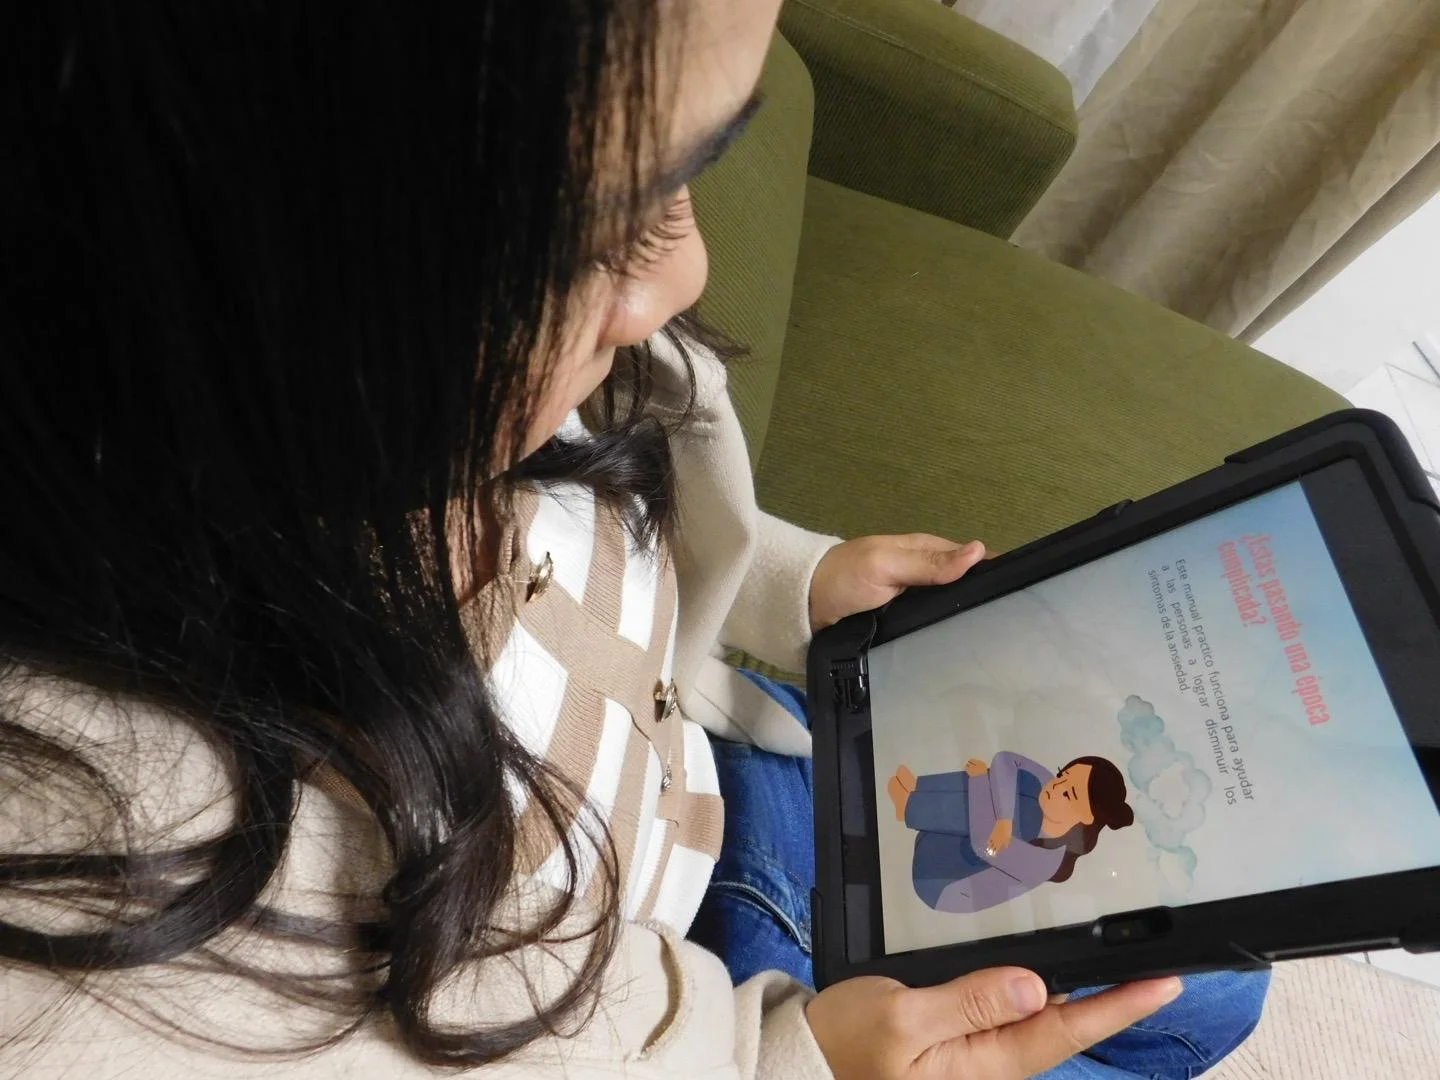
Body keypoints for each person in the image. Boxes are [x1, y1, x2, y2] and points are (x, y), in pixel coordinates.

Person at [0, 3, 1268, 1079]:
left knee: (1225, 983)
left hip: (719, 762)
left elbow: (639, 530)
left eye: (693, 170)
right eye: (615, 222)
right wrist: (802, 1058)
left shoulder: (517, 367)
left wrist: (796, 583)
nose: (685, 273)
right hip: (675, 987)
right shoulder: (151, 900)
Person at [888, 754, 1134, 913]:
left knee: (989, 789)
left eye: (1069, 794)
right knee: (1007, 784)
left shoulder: (1048, 862)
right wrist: (1004, 819)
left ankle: (910, 806)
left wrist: (980, 783)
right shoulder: (1045, 786)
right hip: (940, 842)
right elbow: (1005, 761)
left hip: (939, 881)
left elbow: (984, 844)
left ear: (1087, 817)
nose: (1056, 786)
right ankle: (917, 789)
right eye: (1062, 775)